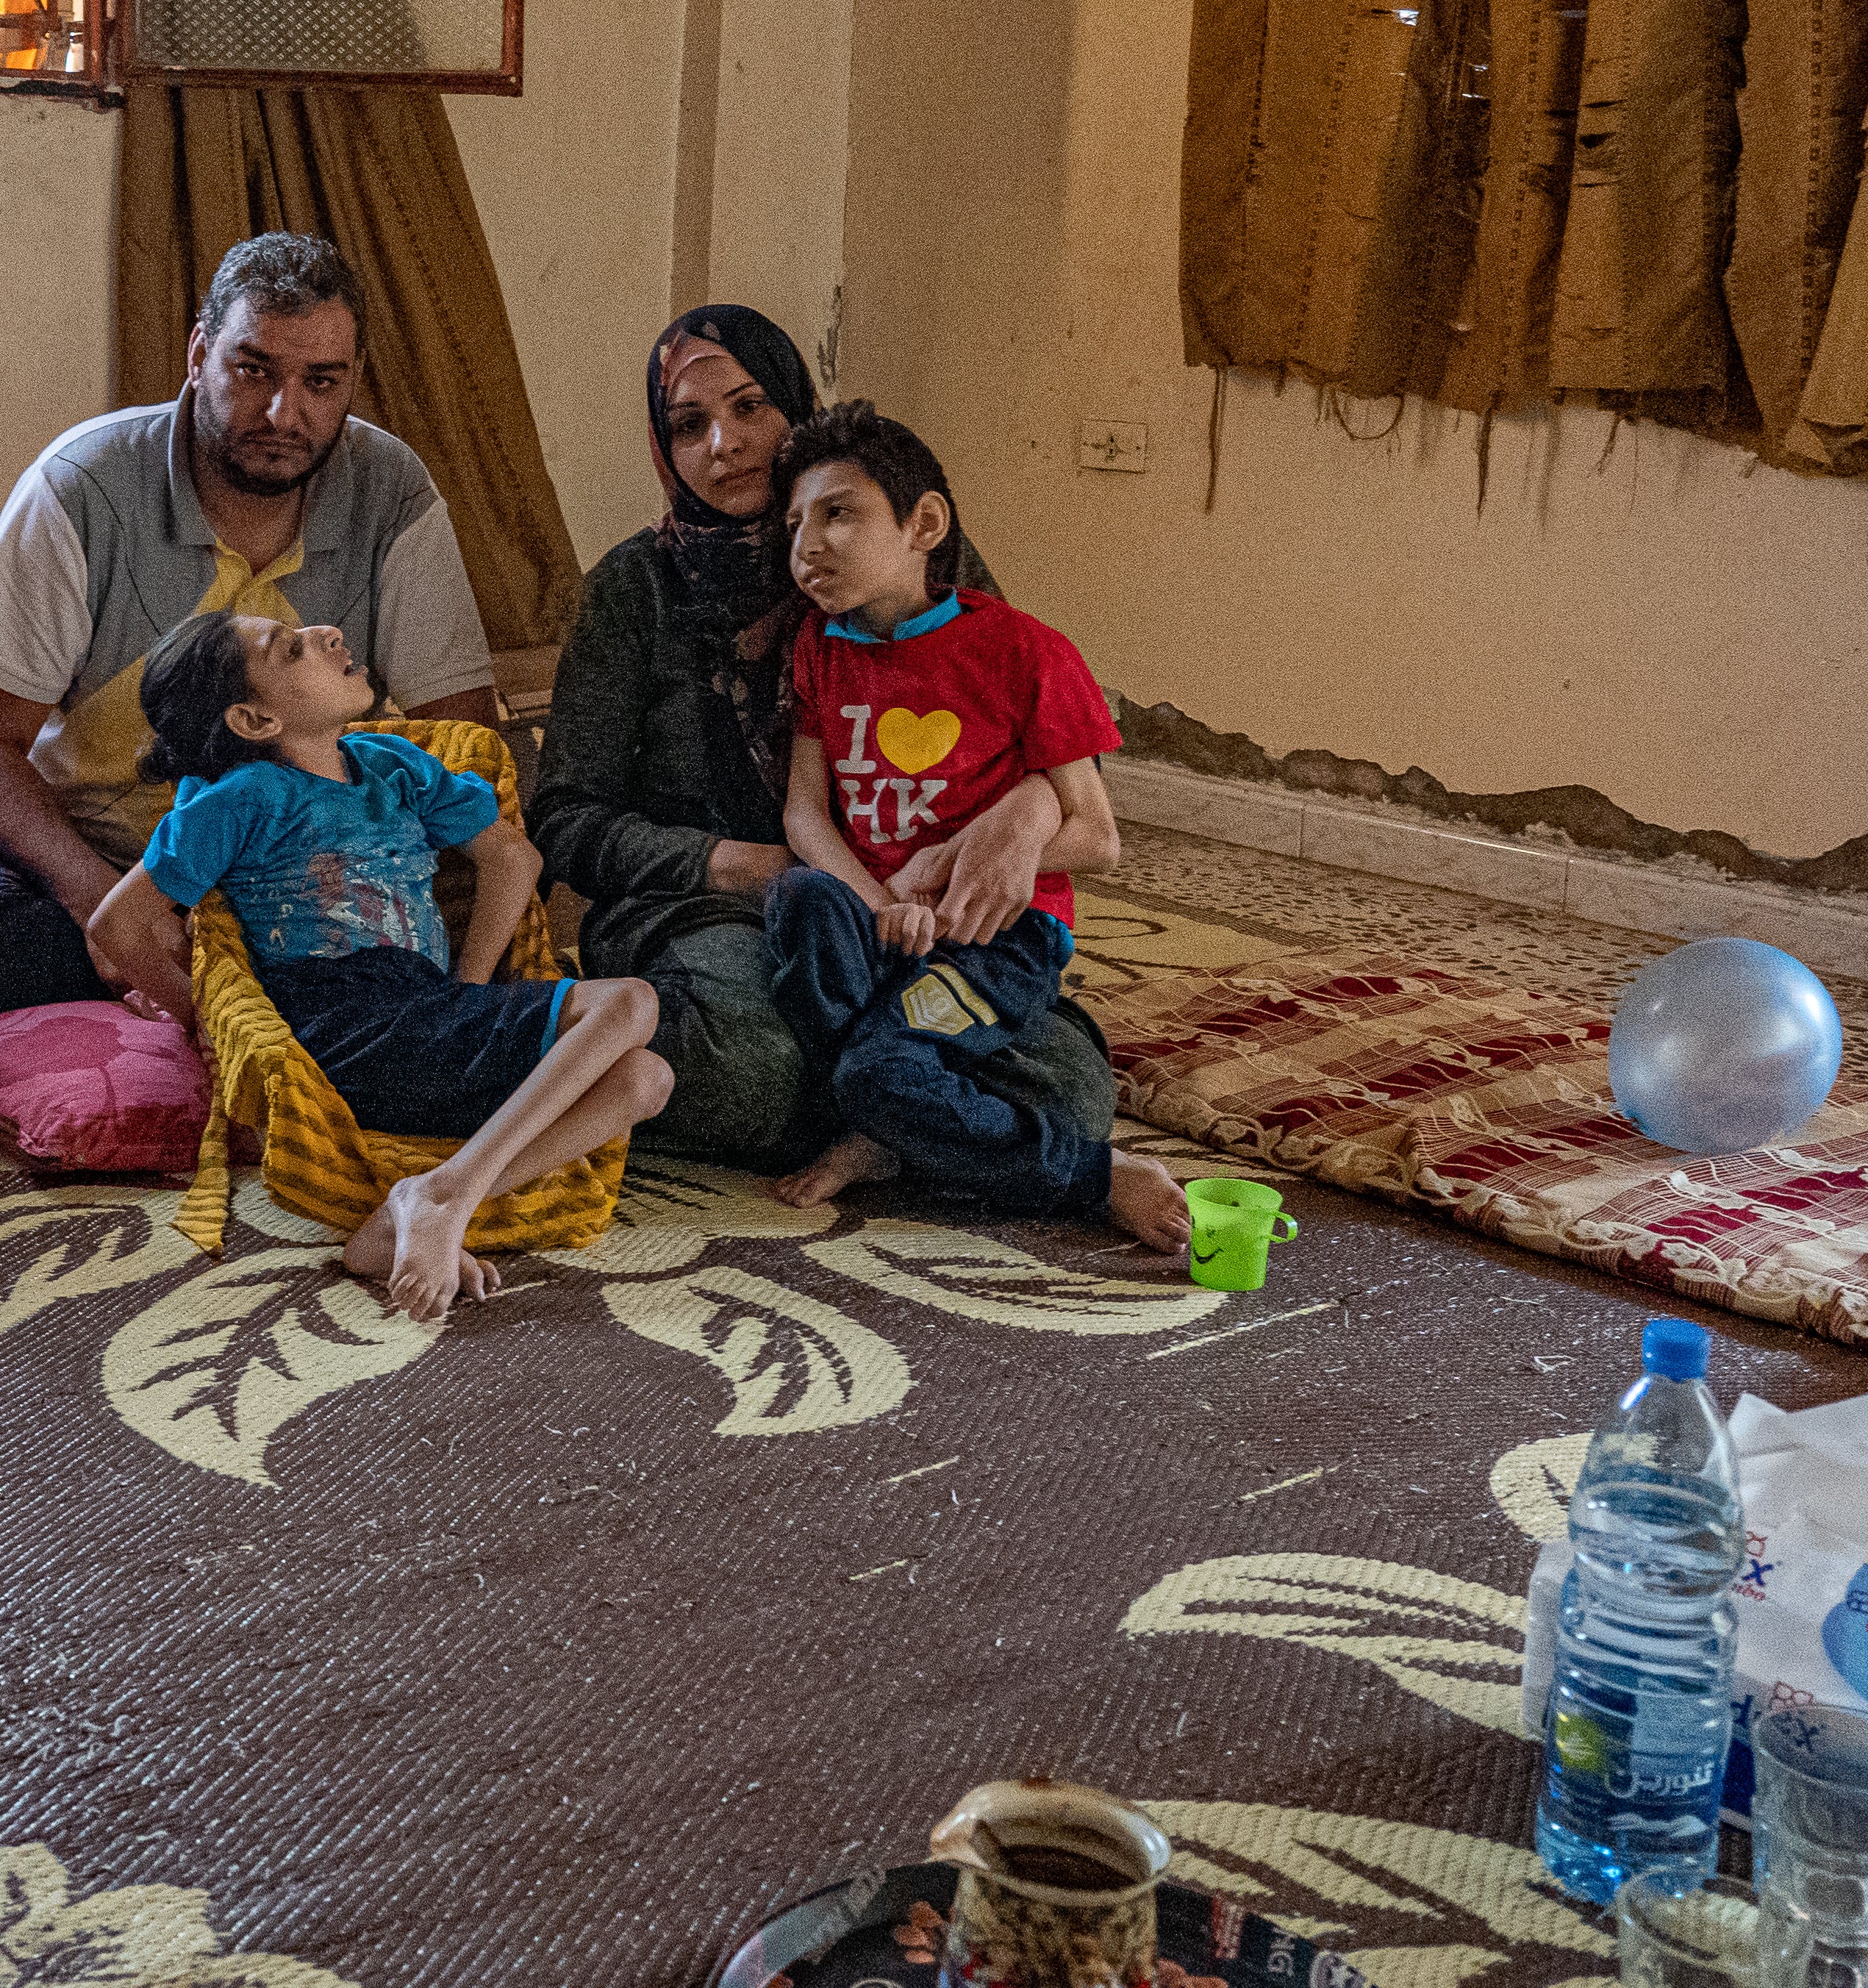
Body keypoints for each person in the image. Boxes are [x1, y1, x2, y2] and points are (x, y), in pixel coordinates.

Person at [529, 307, 1122, 1173]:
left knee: (1076, 1088)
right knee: (754, 1066)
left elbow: (1048, 724)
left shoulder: (902, 537)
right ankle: (910, 1114)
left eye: (751, 406)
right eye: (689, 425)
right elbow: (566, 816)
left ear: (798, 413)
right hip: (710, 911)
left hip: (909, 904)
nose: (723, 443)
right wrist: (742, 863)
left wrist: (1022, 820)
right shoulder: (633, 588)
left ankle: (884, 1104)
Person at [0, 233, 501, 1031]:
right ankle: (230, 1004)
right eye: (254, 369)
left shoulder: (395, 491)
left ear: (354, 382)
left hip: (295, 874)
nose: (285, 412)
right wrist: (113, 908)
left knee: (461, 902)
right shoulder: (82, 486)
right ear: (200, 354)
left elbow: (467, 736)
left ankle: (214, 1002)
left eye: (320, 382)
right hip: (77, 858)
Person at [90, 608, 672, 1320]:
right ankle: (443, 1196)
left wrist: (472, 983)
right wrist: (203, 1021)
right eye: (290, 648)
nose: (327, 634)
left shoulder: (395, 769)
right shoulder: (245, 798)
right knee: (631, 1002)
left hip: (424, 1010)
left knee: (646, 1078)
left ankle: (424, 1204)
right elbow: (115, 926)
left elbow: (513, 857)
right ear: (253, 719)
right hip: (341, 1022)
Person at [760, 403, 1187, 1245]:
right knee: (801, 902)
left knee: (879, 1065)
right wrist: (880, 900)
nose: (807, 543)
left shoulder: (1027, 652)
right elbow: (805, 813)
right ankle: (894, 1119)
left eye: (839, 512)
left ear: (923, 524)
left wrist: (946, 875)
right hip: (884, 917)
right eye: (796, 522)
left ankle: (1095, 1176)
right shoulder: (820, 644)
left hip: (997, 937)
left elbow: (1097, 837)